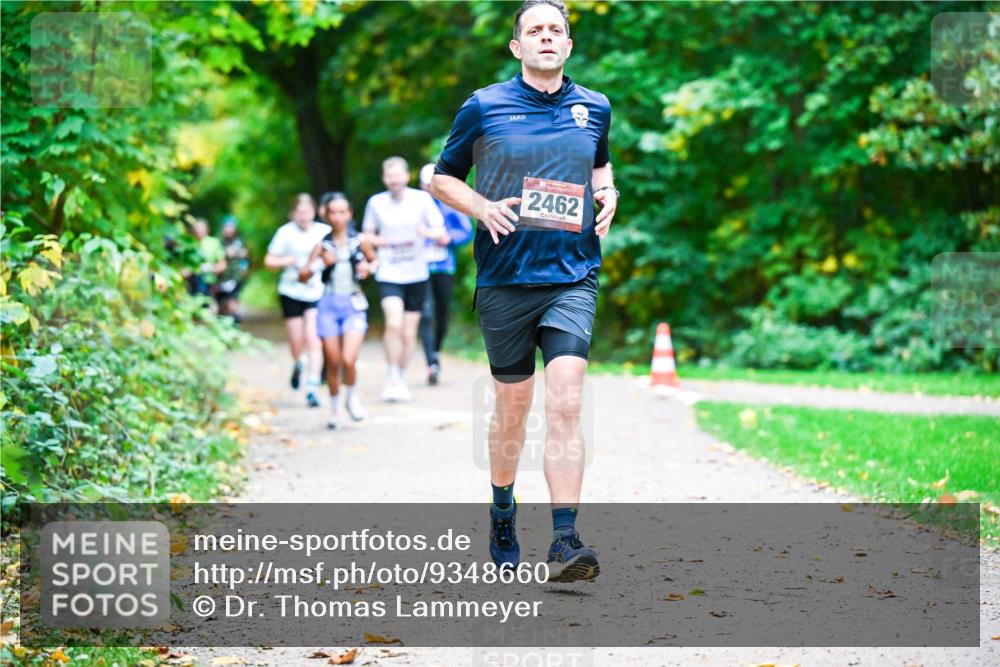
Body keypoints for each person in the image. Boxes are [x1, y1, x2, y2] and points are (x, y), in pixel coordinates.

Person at [430, 0, 618, 582]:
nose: (545, 37)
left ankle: (565, 539)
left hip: (572, 275)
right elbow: (438, 178)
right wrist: (482, 206)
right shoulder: (484, 106)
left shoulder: (595, 108)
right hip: (506, 278)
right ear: (517, 47)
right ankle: (503, 508)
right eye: (533, 30)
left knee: (566, 400)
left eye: (555, 30)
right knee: (512, 411)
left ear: (568, 45)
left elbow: (601, 168)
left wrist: (610, 191)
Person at [361, 157, 447, 402]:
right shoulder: (376, 203)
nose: (394, 180)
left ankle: (400, 374)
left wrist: (426, 233)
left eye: (398, 175)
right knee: (394, 325)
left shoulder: (422, 200)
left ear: (407, 176)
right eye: (389, 176)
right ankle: (392, 375)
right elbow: (366, 236)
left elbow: (441, 232)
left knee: (409, 334)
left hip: (417, 274)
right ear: (384, 178)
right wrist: (377, 242)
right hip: (389, 273)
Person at [304, 192, 378, 429]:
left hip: (353, 305)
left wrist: (368, 269)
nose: (337, 217)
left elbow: (375, 261)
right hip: (327, 306)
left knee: (349, 358)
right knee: (333, 361)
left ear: (350, 214)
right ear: (326, 215)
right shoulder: (322, 245)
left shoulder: (360, 241)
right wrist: (320, 264)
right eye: (333, 212)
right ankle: (335, 409)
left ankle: (352, 398)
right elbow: (302, 275)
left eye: (342, 212)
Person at [264, 193, 332, 408]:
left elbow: (335, 255)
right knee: (297, 341)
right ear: (293, 214)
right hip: (290, 291)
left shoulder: (323, 232)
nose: (304, 216)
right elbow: (269, 260)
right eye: (299, 212)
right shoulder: (285, 233)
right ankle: (298, 363)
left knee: (313, 338)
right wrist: (287, 260)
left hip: (316, 292)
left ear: (314, 212)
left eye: (308, 212)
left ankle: (312, 386)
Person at [417, 163, 474, 386]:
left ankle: (436, 352)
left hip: (443, 266)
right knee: (426, 312)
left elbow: (466, 232)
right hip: (420, 268)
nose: (429, 190)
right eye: (425, 186)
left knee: (441, 312)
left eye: (432, 185)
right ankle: (431, 361)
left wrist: (448, 238)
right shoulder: (416, 206)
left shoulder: (449, 206)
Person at [216, 216, 250, 323]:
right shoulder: (218, 242)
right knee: (221, 307)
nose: (229, 229)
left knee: (232, 305)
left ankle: (234, 327)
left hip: (236, 278)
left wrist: (243, 269)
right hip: (220, 279)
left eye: (231, 227)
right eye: (227, 227)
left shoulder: (239, 242)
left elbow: (245, 256)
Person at [185, 218, 226, 299]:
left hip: (207, 282)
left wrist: (211, 268)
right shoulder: (187, 242)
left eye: (201, 228)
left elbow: (222, 264)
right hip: (189, 282)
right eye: (196, 227)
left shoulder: (214, 242)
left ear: (207, 229)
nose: (198, 230)